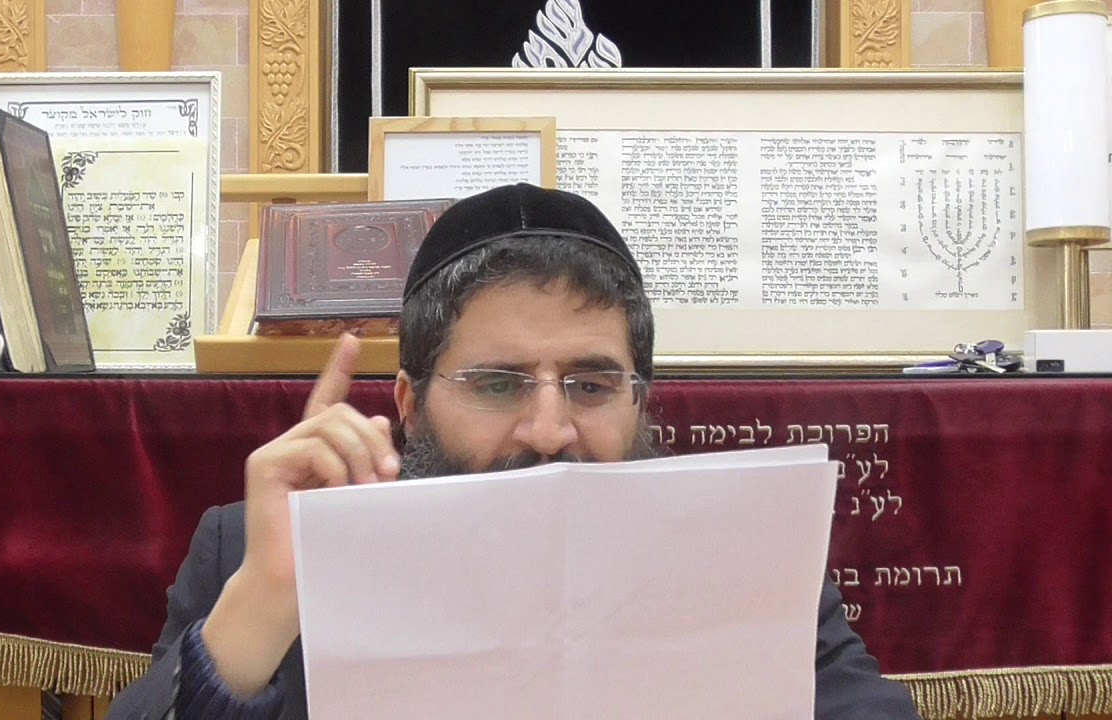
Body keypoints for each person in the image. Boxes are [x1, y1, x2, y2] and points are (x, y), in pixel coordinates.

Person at [109, 183, 920, 719]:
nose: (548, 430)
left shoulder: (739, 552)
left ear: (641, 400)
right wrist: (264, 603)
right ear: (409, 407)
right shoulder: (257, 553)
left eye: (591, 385)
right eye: (498, 385)